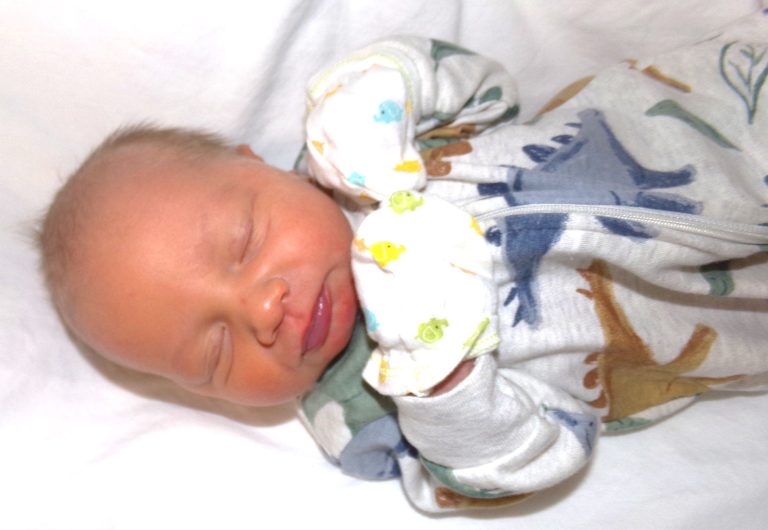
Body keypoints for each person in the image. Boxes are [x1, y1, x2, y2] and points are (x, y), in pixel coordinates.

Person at [40, 11, 768, 513]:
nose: (261, 310)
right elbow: (527, 464)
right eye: (215, 352)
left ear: (257, 164)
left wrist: (379, 86)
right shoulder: (363, 415)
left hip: (704, 119)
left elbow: (489, 89)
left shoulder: (363, 154)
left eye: (243, 242)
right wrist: (444, 385)